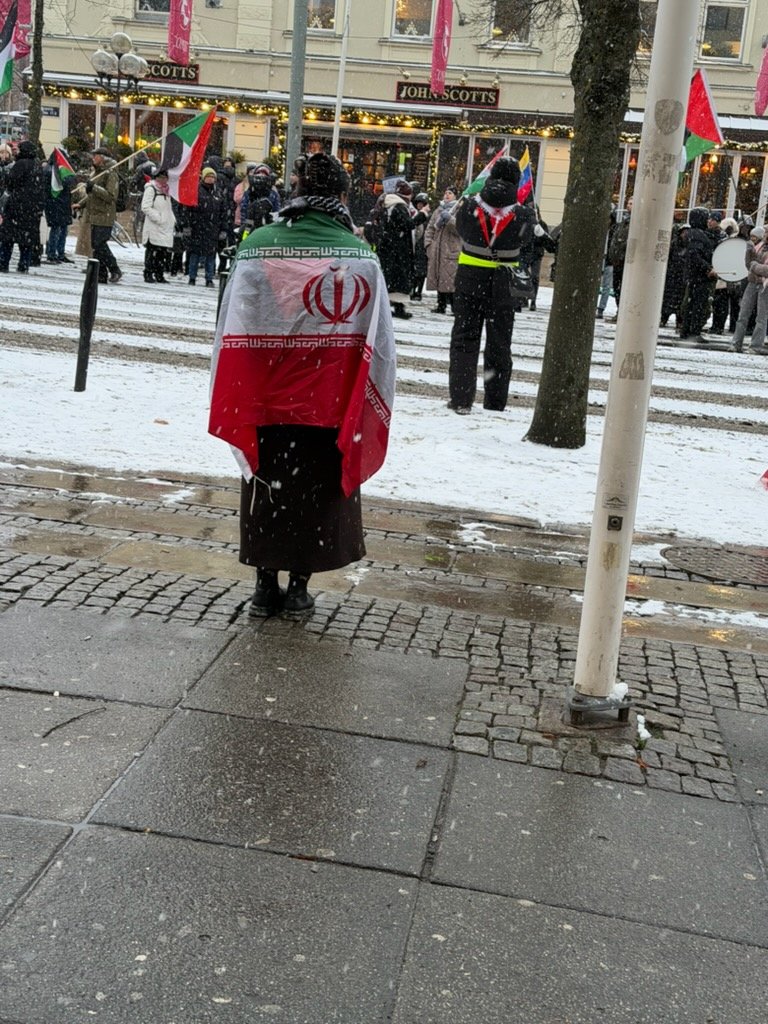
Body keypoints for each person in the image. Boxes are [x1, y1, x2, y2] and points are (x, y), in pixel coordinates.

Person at [208, 151, 396, 618]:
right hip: (328, 400)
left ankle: (263, 585)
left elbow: (234, 319)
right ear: (341, 195)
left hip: (267, 396)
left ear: (297, 189)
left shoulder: (257, 245)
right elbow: (377, 341)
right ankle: (298, 588)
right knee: (316, 492)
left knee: (266, 486)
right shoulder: (360, 256)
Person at [447, 156, 538, 414]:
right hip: (504, 283)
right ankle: (495, 401)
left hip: (469, 279)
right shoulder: (524, 213)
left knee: (464, 339)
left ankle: (461, 398)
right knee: (499, 343)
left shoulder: (468, 206)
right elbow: (527, 243)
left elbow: (461, 231)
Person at [0, 140, 44, 274]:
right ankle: (24, 264)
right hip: (31, 209)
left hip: (16, 207)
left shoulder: (20, 164)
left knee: (8, 239)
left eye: (19, 149)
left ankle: (3, 263)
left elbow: (10, 182)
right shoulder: (37, 166)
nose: (16, 152)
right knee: (26, 241)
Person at [80, 146, 122, 284]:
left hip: (105, 215)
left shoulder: (111, 173)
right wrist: (81, 204)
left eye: (96, 155)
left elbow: (111, 196)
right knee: (96, 246)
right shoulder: (97, 172)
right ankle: (100, 274)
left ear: (103, 158)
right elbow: (92, 195)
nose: (93, 158)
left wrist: (94, 187)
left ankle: (114, 269)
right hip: (95, 214)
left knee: (100, 244)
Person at [377, 178, 416, 319]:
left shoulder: (388, 204)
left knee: (390, 278)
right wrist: (422, 215)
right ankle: (398, 308)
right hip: (398, 250)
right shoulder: (398, 206)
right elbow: (407, 225)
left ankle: (391, 307)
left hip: (389, 249)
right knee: (399, 279)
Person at [184, 166, 227, 287]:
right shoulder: (196, 191)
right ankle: (192, 277)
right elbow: (188, 210)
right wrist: (187, 225)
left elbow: (223, 212)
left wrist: (223, 228)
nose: (211, 179)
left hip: (212, 229)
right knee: (195, 254)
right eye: (208, 176)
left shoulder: (218, 192)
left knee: (210, 256)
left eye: (213, 177)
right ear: (203, 178)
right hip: (197, 228)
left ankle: (209, 278)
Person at [678, 206, 716, 342]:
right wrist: (708, 269)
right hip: (699, 276)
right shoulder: (698, 235)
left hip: (693, 275)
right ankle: (693, 331)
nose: (708, 221)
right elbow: (695, 255)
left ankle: (686, 330)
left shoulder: (692, 233)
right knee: (698, 305)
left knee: (691, 303)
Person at [732, 225, 768, 354]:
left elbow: (763, 269)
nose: (765, 234)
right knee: (743, 314)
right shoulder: (759, 247)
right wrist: (749, 254)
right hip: (752, 282)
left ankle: (755, 345)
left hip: (765, 285)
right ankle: (736, 343)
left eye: (767, 232)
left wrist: (755, 266)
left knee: (761, 317)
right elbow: (749, 265)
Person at [425, 186, 461, 313]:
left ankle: (454, 307)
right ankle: (441, 305)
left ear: (455, 196)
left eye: (450, 193)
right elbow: (430, 228)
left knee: (451, 279)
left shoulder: (458, 210)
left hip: (451, 250)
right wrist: (428, 244)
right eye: (445, 193)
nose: (447, 195)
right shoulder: (438, 210)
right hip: (437, 250)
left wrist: (450, 219)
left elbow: (460, 229)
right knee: (439, 277)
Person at [140, 168, 176, 283]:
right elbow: (145, 207)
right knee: (152, 252)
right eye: (161, 177)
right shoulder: (151, 189)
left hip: (165, 227)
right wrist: (158, 218)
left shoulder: (167, 191)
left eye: (165, 178)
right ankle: (148, 273)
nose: (163, 180)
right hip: (154, 226)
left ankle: (159, 274)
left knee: (162, 253)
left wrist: (171, 219)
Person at [43, 147, 75, 264]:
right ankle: (52, 253)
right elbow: (61, 184)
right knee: (57, 229)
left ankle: (59, 253)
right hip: (56, 203)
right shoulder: (51, 171)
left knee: (62, 229)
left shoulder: (52, 169)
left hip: (61, 203)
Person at [606, 196, 632, 320]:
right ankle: (620, 310)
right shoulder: (623, 222)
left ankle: (623, 311)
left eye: (631, 203)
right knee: (617, 287)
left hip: (624, 261)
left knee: (623, 287)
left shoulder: (633, 223)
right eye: (629, 203)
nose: (629, 205)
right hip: (618, 261)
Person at [410, 192, 430, 301]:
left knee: (421, 271)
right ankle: (413, 290)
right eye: (418, 203)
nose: (419, 205)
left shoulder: (427, 216)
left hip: (423, 246)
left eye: (422, 203)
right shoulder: (414, 215)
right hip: (415, 245)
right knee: (414, 270)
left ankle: (418, 291)